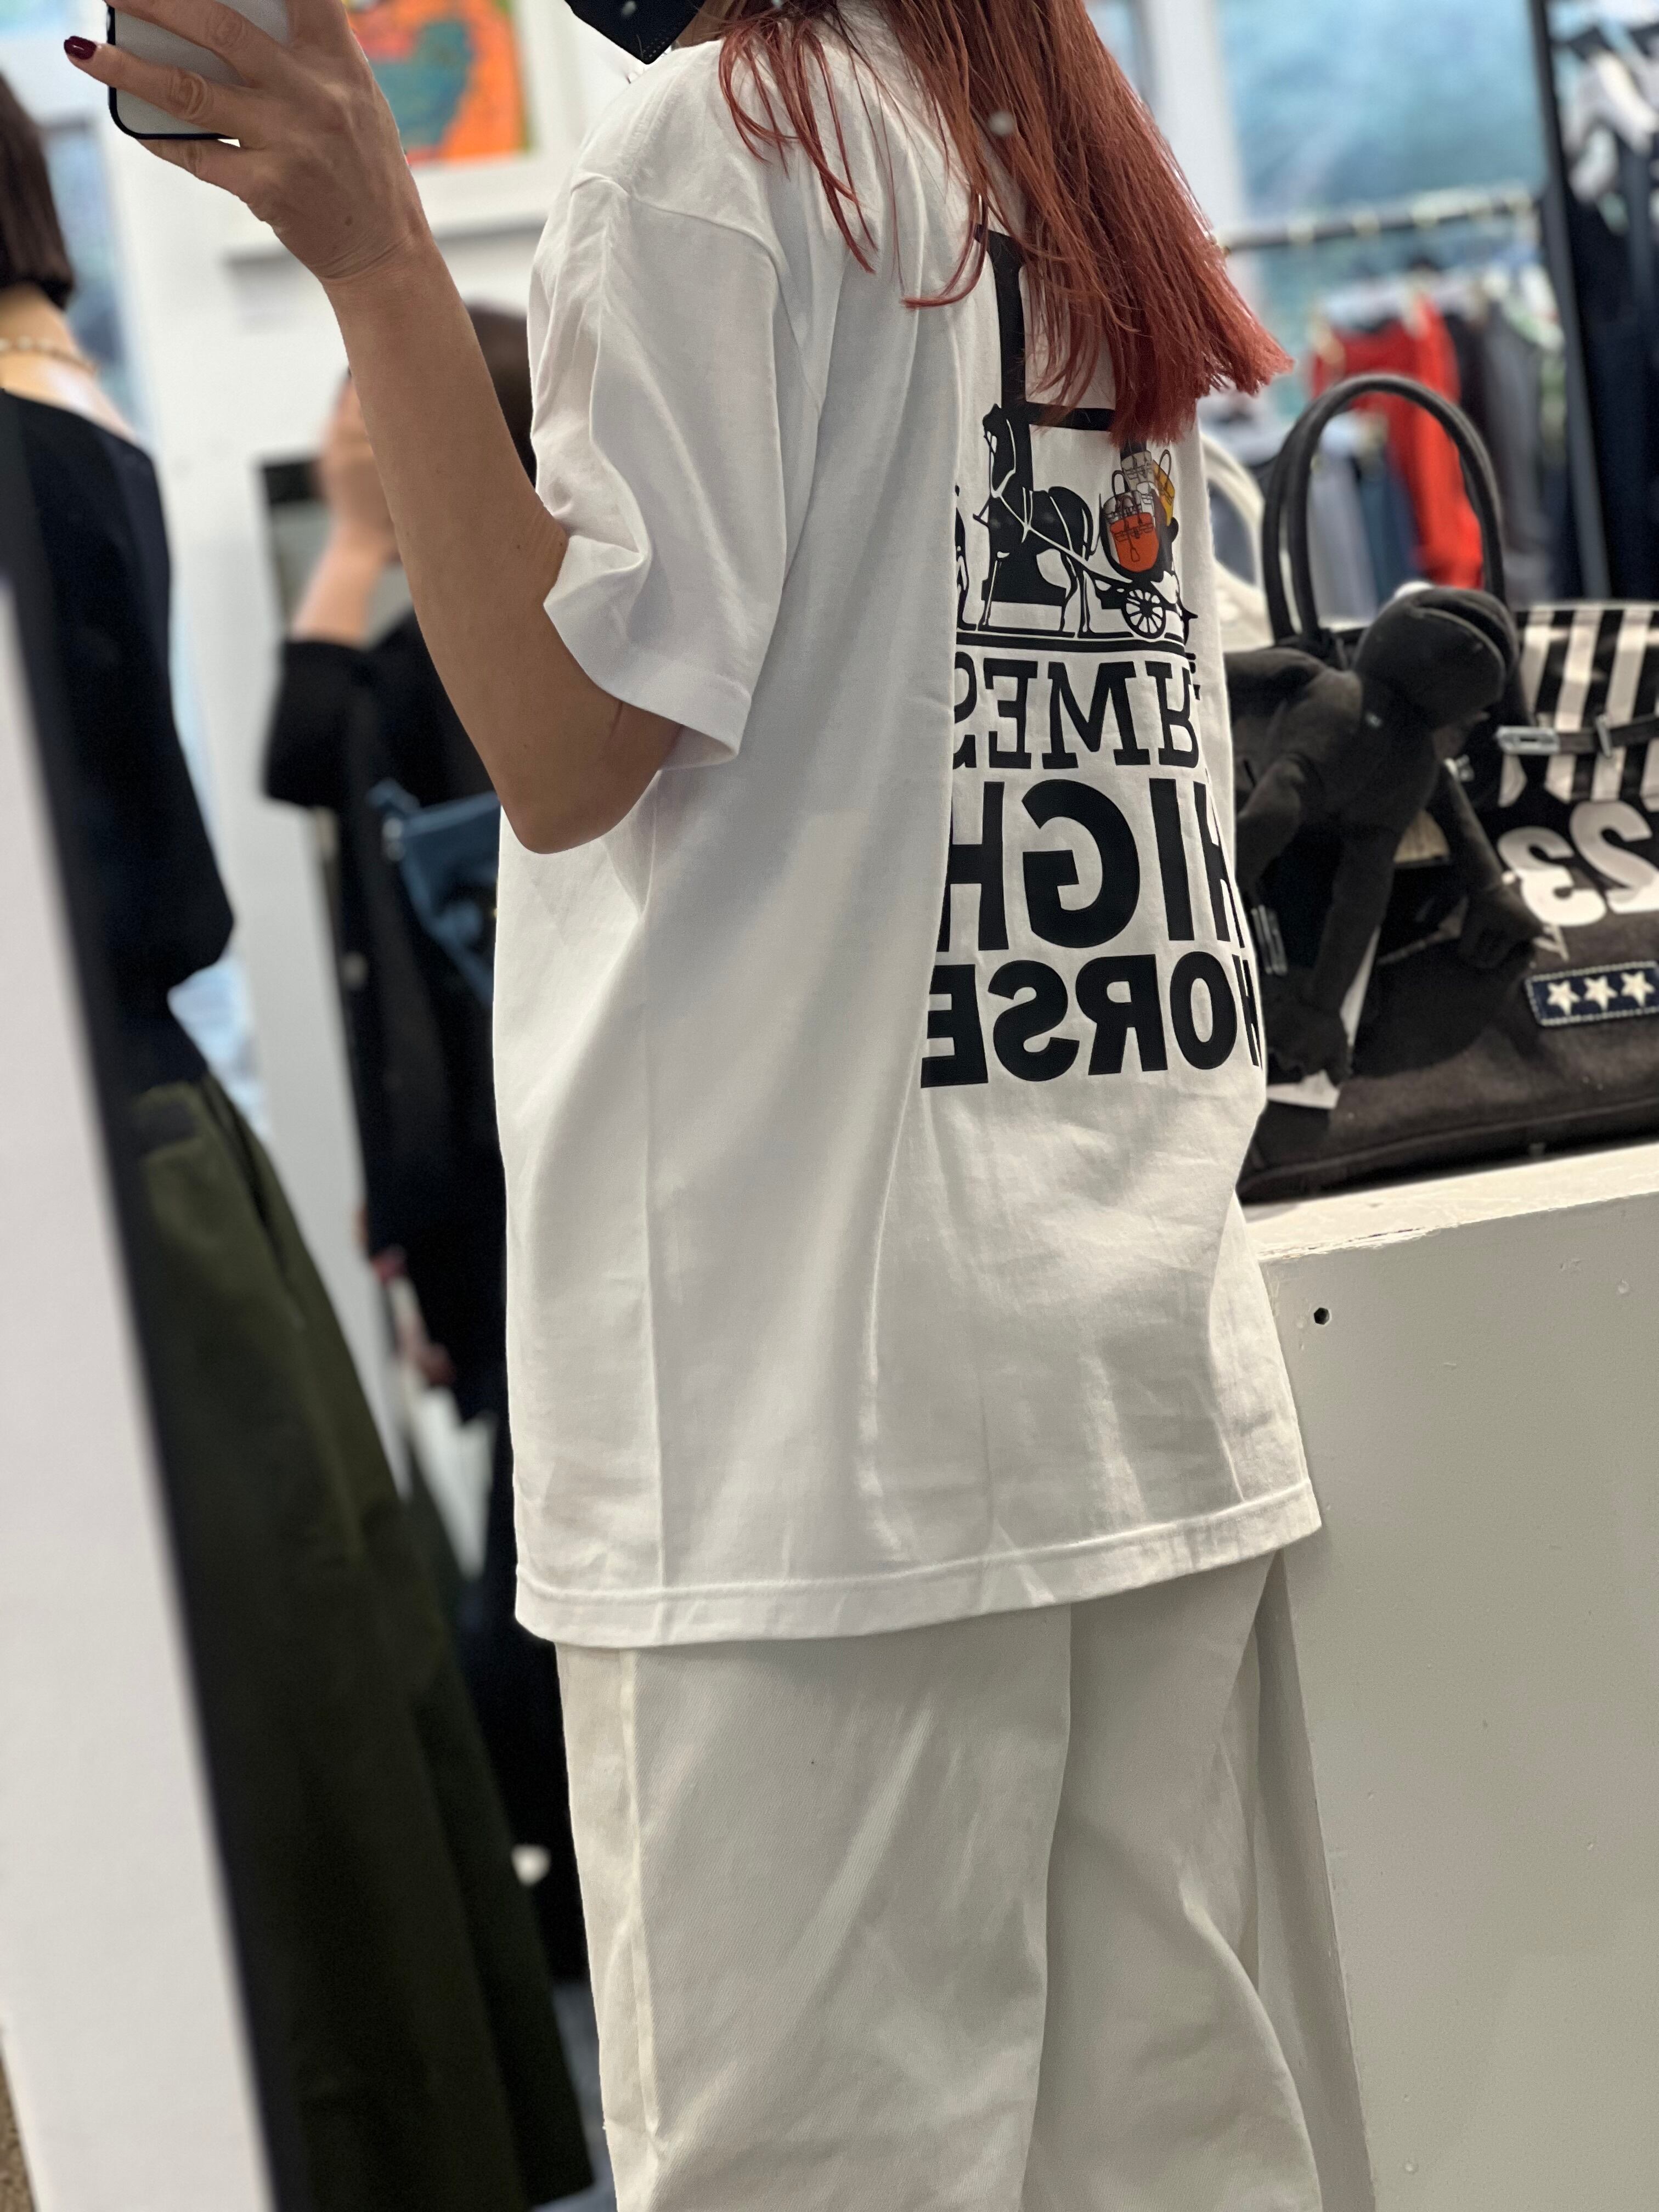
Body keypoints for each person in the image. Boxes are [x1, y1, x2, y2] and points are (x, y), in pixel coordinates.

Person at [66, 2, 1323, 2204]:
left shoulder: (729, 147)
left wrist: (375, 254)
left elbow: (565, 754)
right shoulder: (1041, 146)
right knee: (1164, 2149)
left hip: (810, 1412)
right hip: (1116, 1350)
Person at [0, 72, 590, 2212]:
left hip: (474, 1148)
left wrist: (361, 539)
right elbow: (294, 796)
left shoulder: (482, 627)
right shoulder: (83, 431)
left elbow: (289, 775)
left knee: (481, 1619)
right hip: (384, 1154)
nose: (349, 429)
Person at [264, 326, 589, 1982]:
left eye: (367, 410)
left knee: (540, 1558)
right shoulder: (433, 659)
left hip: (539, 1169)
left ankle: (565, 1899)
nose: (347, 439)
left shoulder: (512, 655)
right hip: (478, 1176)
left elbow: (298, 743)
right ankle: (568, 1892)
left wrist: (357, 542)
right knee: (535, 1541)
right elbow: (308, 765)